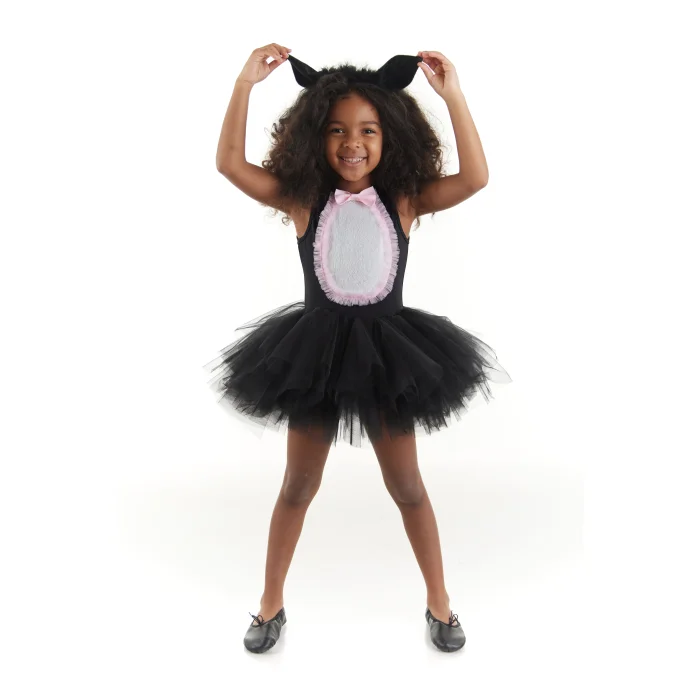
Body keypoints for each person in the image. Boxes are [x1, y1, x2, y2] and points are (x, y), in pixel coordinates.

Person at [204, 44, 512, 653]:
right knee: (298, 485)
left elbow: (475, 178)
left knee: (408, 487)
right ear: (315, 136)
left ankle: (440, 602)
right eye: (338, 130)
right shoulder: (303, 200)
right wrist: (243, 85)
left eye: (368, 130)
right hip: (313, 358)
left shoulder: (404, 200)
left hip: (390, 358)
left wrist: (453, 97)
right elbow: (230, 164)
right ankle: (269, 604)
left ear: (390, 135)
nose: (353, 143)